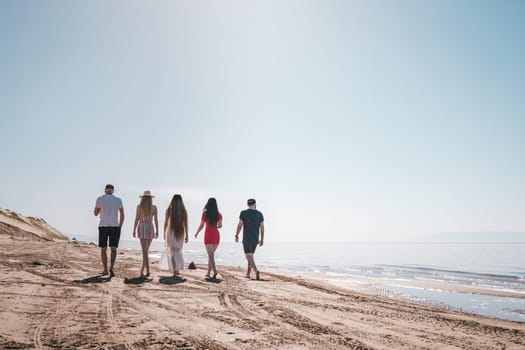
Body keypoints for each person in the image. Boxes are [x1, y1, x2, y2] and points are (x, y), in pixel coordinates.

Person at [94, 184, 124, 277]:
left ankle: (105, 270)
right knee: (113, 249)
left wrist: (100, 209)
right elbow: (122, 214)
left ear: (105, 190)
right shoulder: (118, 200)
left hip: (103, 225)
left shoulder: (100, 198)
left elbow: (95, 213)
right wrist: (120, 226)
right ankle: (111, 268)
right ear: (113, 190)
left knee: (104, 249)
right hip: (115, 226)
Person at [235, 198, 264, 280]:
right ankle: (248, 273)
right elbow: (262, 228)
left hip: (247, 238)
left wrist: (236, 234)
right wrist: (262, 239)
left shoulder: (243, 213)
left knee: (249, 256)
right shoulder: (259, 214)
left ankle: (256, 271)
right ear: (255, 204)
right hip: (255, 238)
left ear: (248, 204)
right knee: (250, 256)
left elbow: (240, 225)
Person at [194, 198, 222, 280]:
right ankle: (208, 273)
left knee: (211, 256)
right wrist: (215, 226)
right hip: (216, 236)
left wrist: (197, 232)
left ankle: (215, 271)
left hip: (208, 235)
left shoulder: (205, 214)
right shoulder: (219, 214)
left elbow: (202, 225)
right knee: (211, 256)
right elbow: (220, 225)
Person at [133, 191, 158, 277]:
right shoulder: (154, 207)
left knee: (145, 252)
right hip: (150, 227)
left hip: (142, 226)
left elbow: (136, 219)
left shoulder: (139, 207)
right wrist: (157, 230)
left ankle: (147, 270)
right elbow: (156, 220)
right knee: (146, 251)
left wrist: (134, 230)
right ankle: (143, 270)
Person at [164, 194, 188, 277]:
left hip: (170, 231)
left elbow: (166, 223)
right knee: (178, 251)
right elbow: (185, 224)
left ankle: (175, 270)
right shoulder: (183, 211)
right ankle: (177, 269)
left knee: (172, 251)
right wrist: (187, 235)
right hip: (180, 231)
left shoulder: (169, 210)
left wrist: (164, 233)